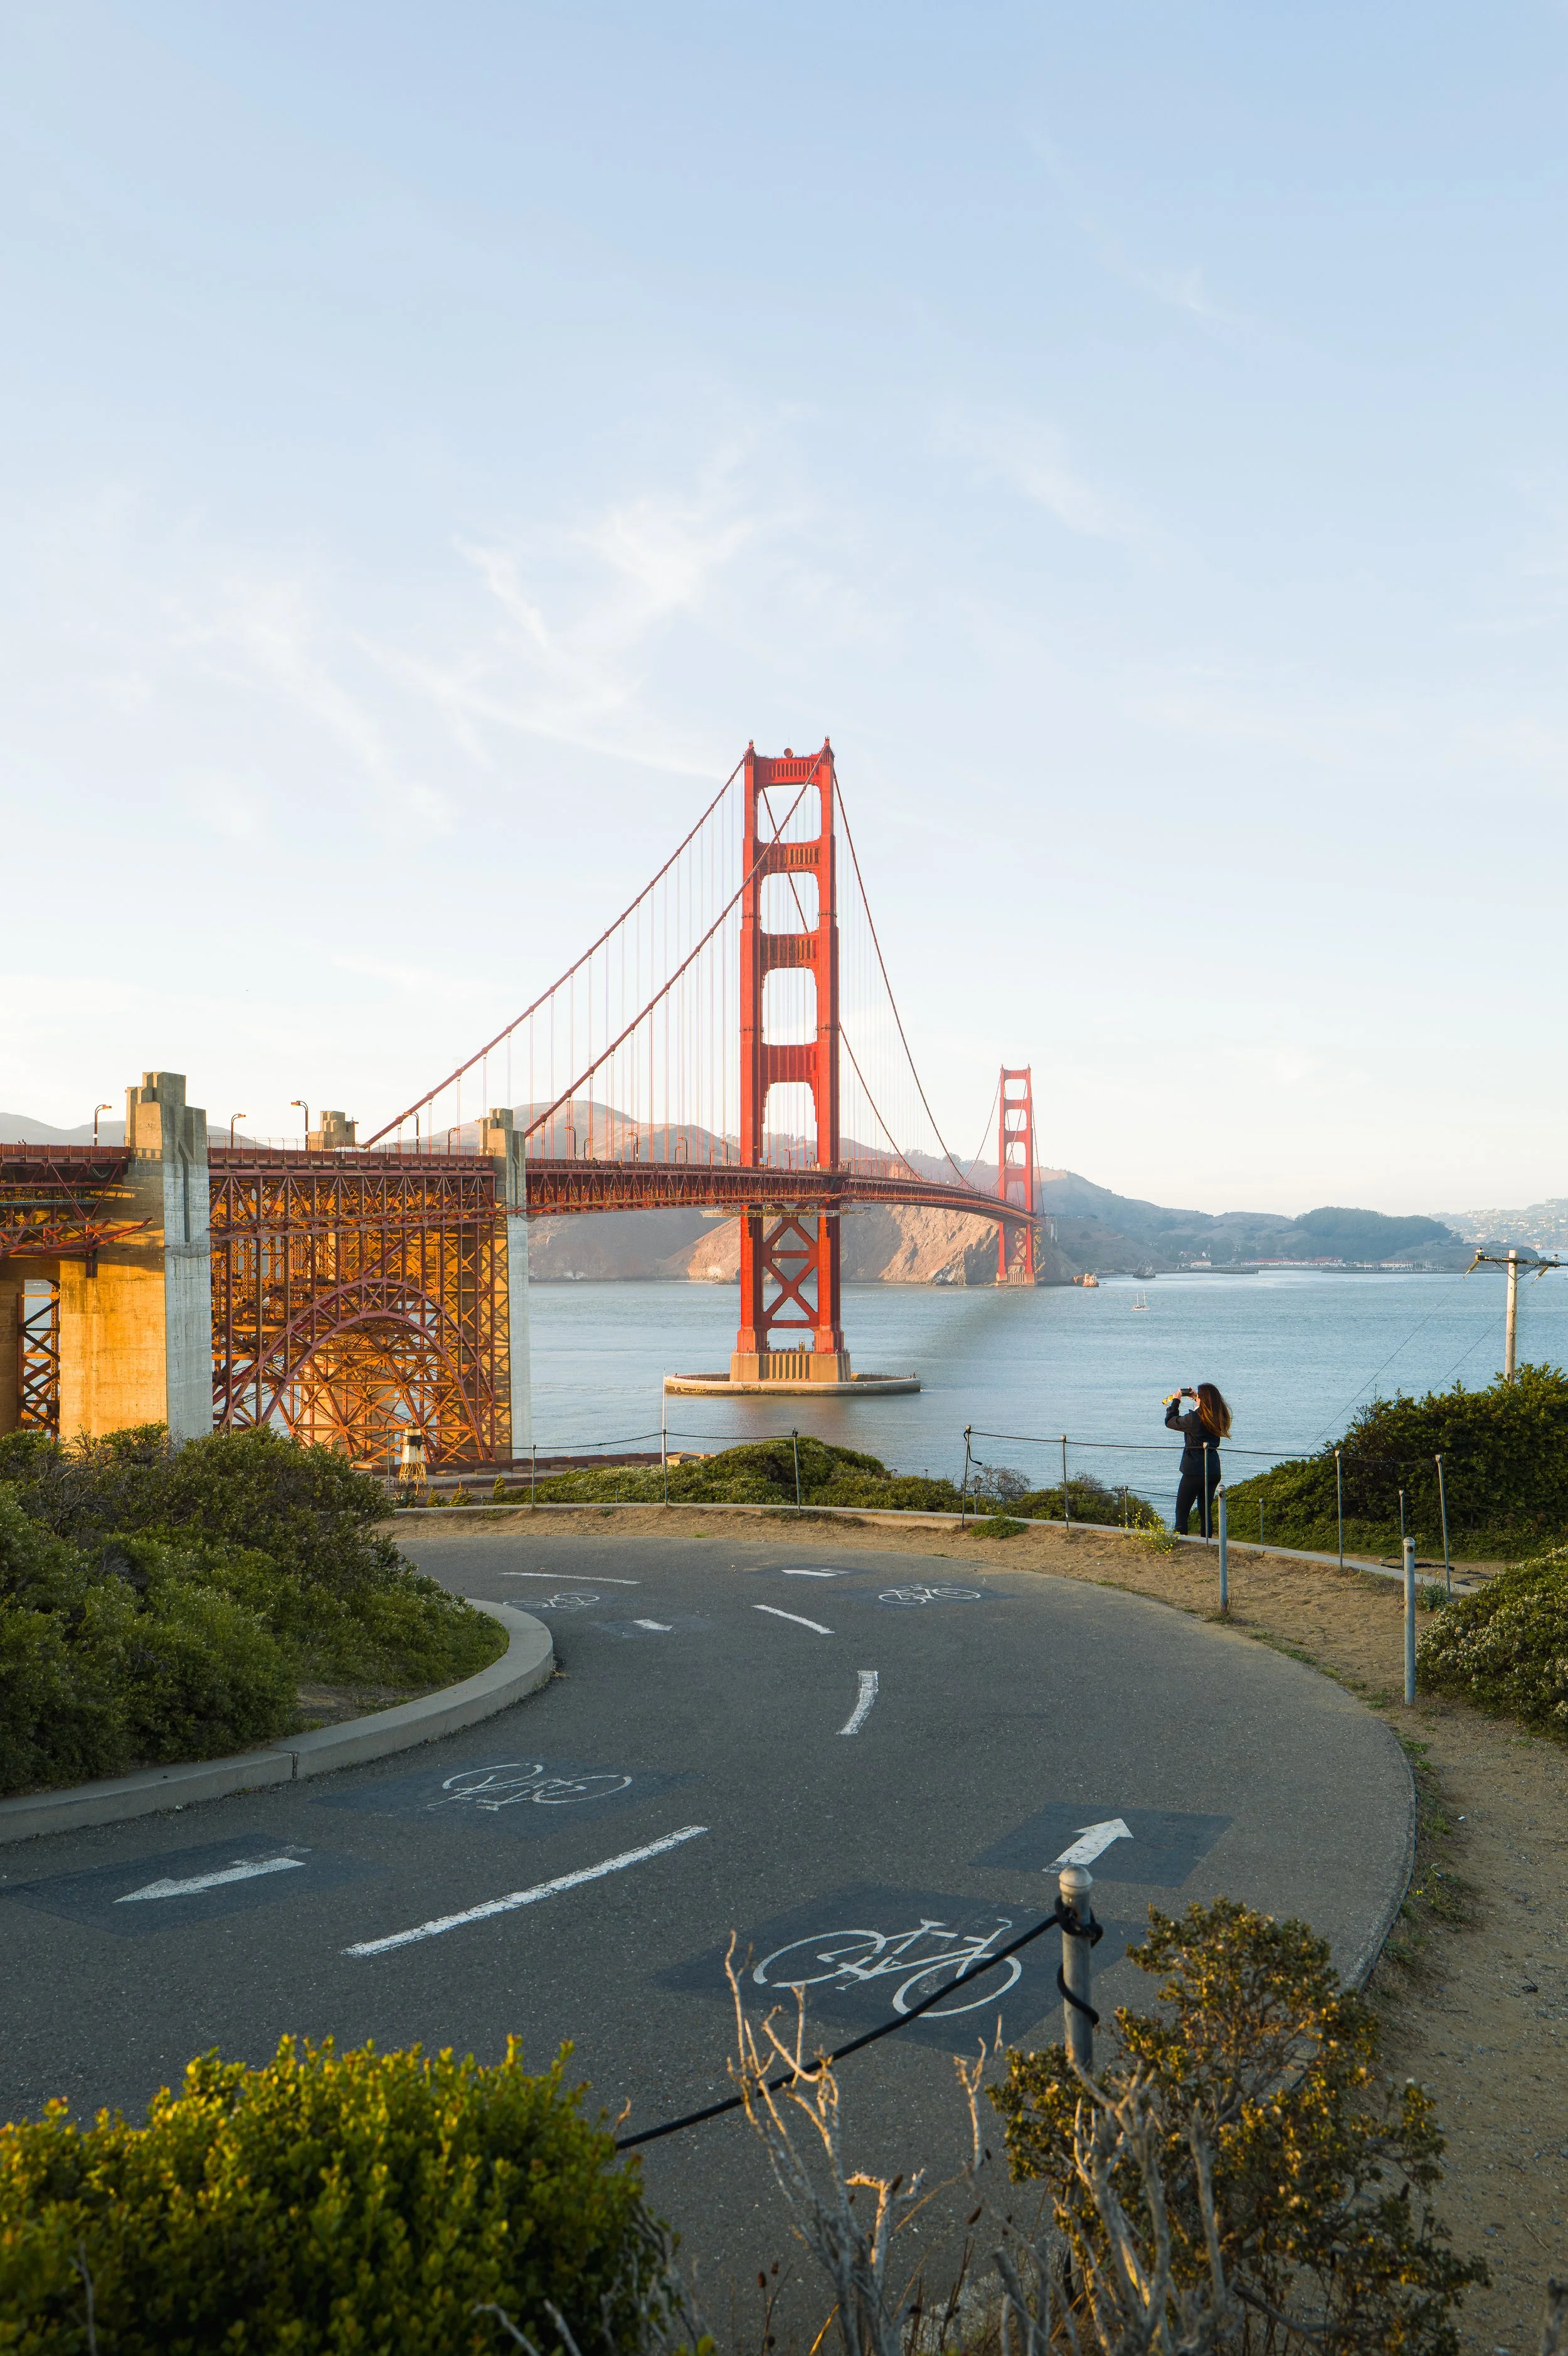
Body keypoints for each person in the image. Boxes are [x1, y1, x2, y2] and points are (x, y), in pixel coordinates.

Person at [1165, 1382, 1231, 1537]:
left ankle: (1181, 1540)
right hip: (1213, 1469)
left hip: (1194, 1470)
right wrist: (1197, 1398)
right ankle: (1207, 1541)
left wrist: (1176, 1402)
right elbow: (1207, 1408)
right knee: (1205, 1511)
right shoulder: (1218, 1415)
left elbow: (1170, 1422)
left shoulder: (1195, 1418)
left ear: (1202, 1399)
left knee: (1182, 1510)